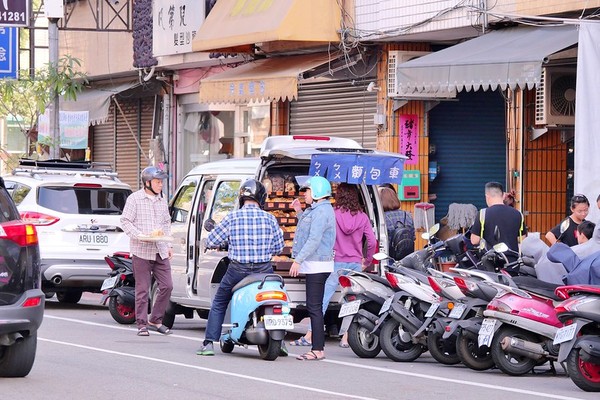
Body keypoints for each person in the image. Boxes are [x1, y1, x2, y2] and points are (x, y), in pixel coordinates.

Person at [197, 179, 284, 356]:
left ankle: (208, 343)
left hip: (238, 270)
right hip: (263, 270)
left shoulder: (232, 217)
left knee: (220, 301)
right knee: (275, 301)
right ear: (261, 198)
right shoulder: (270, 218)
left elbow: (212, 240)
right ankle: (281, 343)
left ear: (241, 198)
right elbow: (279, 247)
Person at [290, 183, 377, 349]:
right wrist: (367, 260)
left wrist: (299, 213)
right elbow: (371, 241)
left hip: (334, 261)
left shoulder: (332, 213)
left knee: (321, 299)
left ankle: (310, 335)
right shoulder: (362, 217)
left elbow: (316, 232)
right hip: (354, 262)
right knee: (351, 300)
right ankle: (346, 337)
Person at [121, 166, 174, 337]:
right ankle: (142, 324)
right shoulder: (134, 199)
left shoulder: (162, 199)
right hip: (141, 250)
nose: (161, 185)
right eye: (158, 182)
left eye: (161, 182)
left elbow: (166, 222)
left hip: (160, 248)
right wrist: (139, 235)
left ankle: (156, 319)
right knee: (142, 289)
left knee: (167, 286)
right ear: (147, 183)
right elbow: (125, 221)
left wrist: (168, 246)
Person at [289, 176, 336, 361]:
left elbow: (314, 239)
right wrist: (299, 211)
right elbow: (310, 230)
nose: (304, 195)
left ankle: (318, 349)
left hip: (317, 264)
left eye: (307, 191)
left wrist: (298, 260)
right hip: (317, 264)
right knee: (314, 307)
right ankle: (318, 348)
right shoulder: (318, 210)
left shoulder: (321, 212)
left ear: (316, 192)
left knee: (314, 308)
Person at [469, 182, 526, 260]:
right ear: (503, 196)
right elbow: (523, 239)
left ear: (487, 196)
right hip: (513, 263)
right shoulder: (518, 214)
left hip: (490, 263)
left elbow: (474, 241)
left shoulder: (483, 214)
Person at [379, 187, 414, 257]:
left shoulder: (382, 217)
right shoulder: (407, 214)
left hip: (389, 255)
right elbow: (413, 236)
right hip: (407, 255)